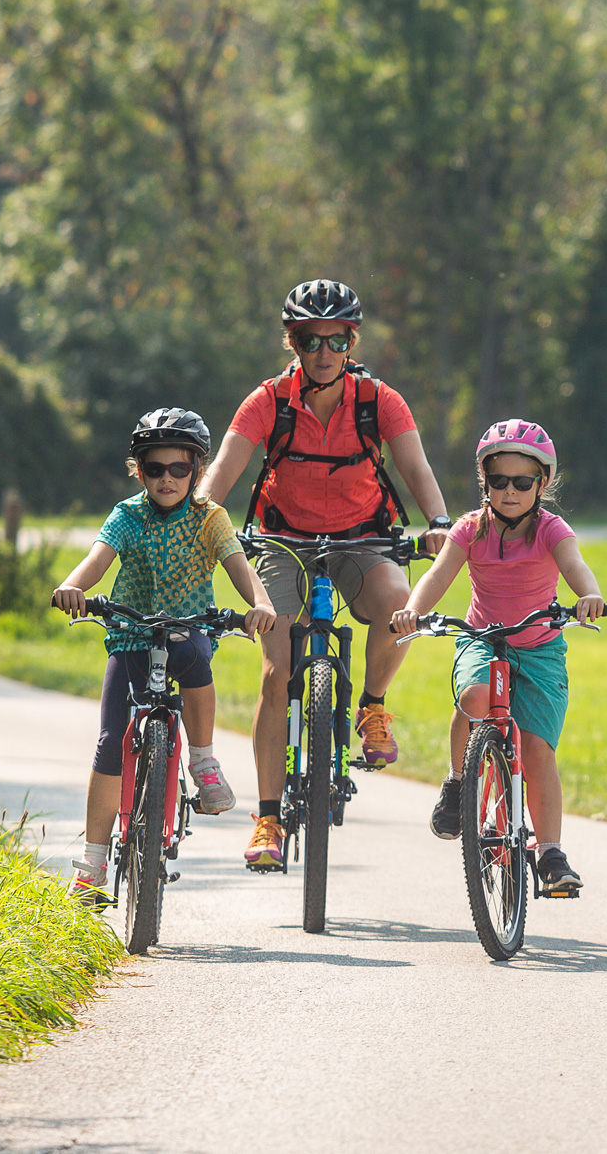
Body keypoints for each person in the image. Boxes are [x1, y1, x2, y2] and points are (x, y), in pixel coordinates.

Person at [197, 280, 457, 872]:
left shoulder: (378, 400)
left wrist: (438, 521)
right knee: (276, 669)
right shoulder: (267, 400)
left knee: (399, 607)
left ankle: (370, 705)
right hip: (281, 538)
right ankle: (267, 818)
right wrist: (201, 524)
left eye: (336, 339)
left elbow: (415, 465)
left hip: (363, 536)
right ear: (292, 342)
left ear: (351, 341)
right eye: (309, 339)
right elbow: (222, 473)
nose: (323, 351)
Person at [52, 408, 278, 905]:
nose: (168, 479)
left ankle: (202, 761)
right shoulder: (127, 515)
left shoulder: (209, 518)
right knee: (111, 740)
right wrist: (73, 586)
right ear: (139, 470)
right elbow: (97, 559)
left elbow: (239, 567)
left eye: (180, 469)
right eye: (155, 469)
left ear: (196, 470)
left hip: (188, 630)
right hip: (131, 637)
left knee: (197, 659)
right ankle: (91, 864)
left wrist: (259, 603)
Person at [390, 420, 607, 893]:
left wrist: (588, 595)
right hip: (482, 638)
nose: (510, 491)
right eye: (498, 481)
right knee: (473, 696)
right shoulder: (470, 528)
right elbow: (438, 575)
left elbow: (576, 566)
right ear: (484, 481)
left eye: (523, 482)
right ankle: (456, 781)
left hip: (540, 647)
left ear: (542, 484)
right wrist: (412, 611)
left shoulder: (551, 529)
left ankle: (550, 852)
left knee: (536, 749)